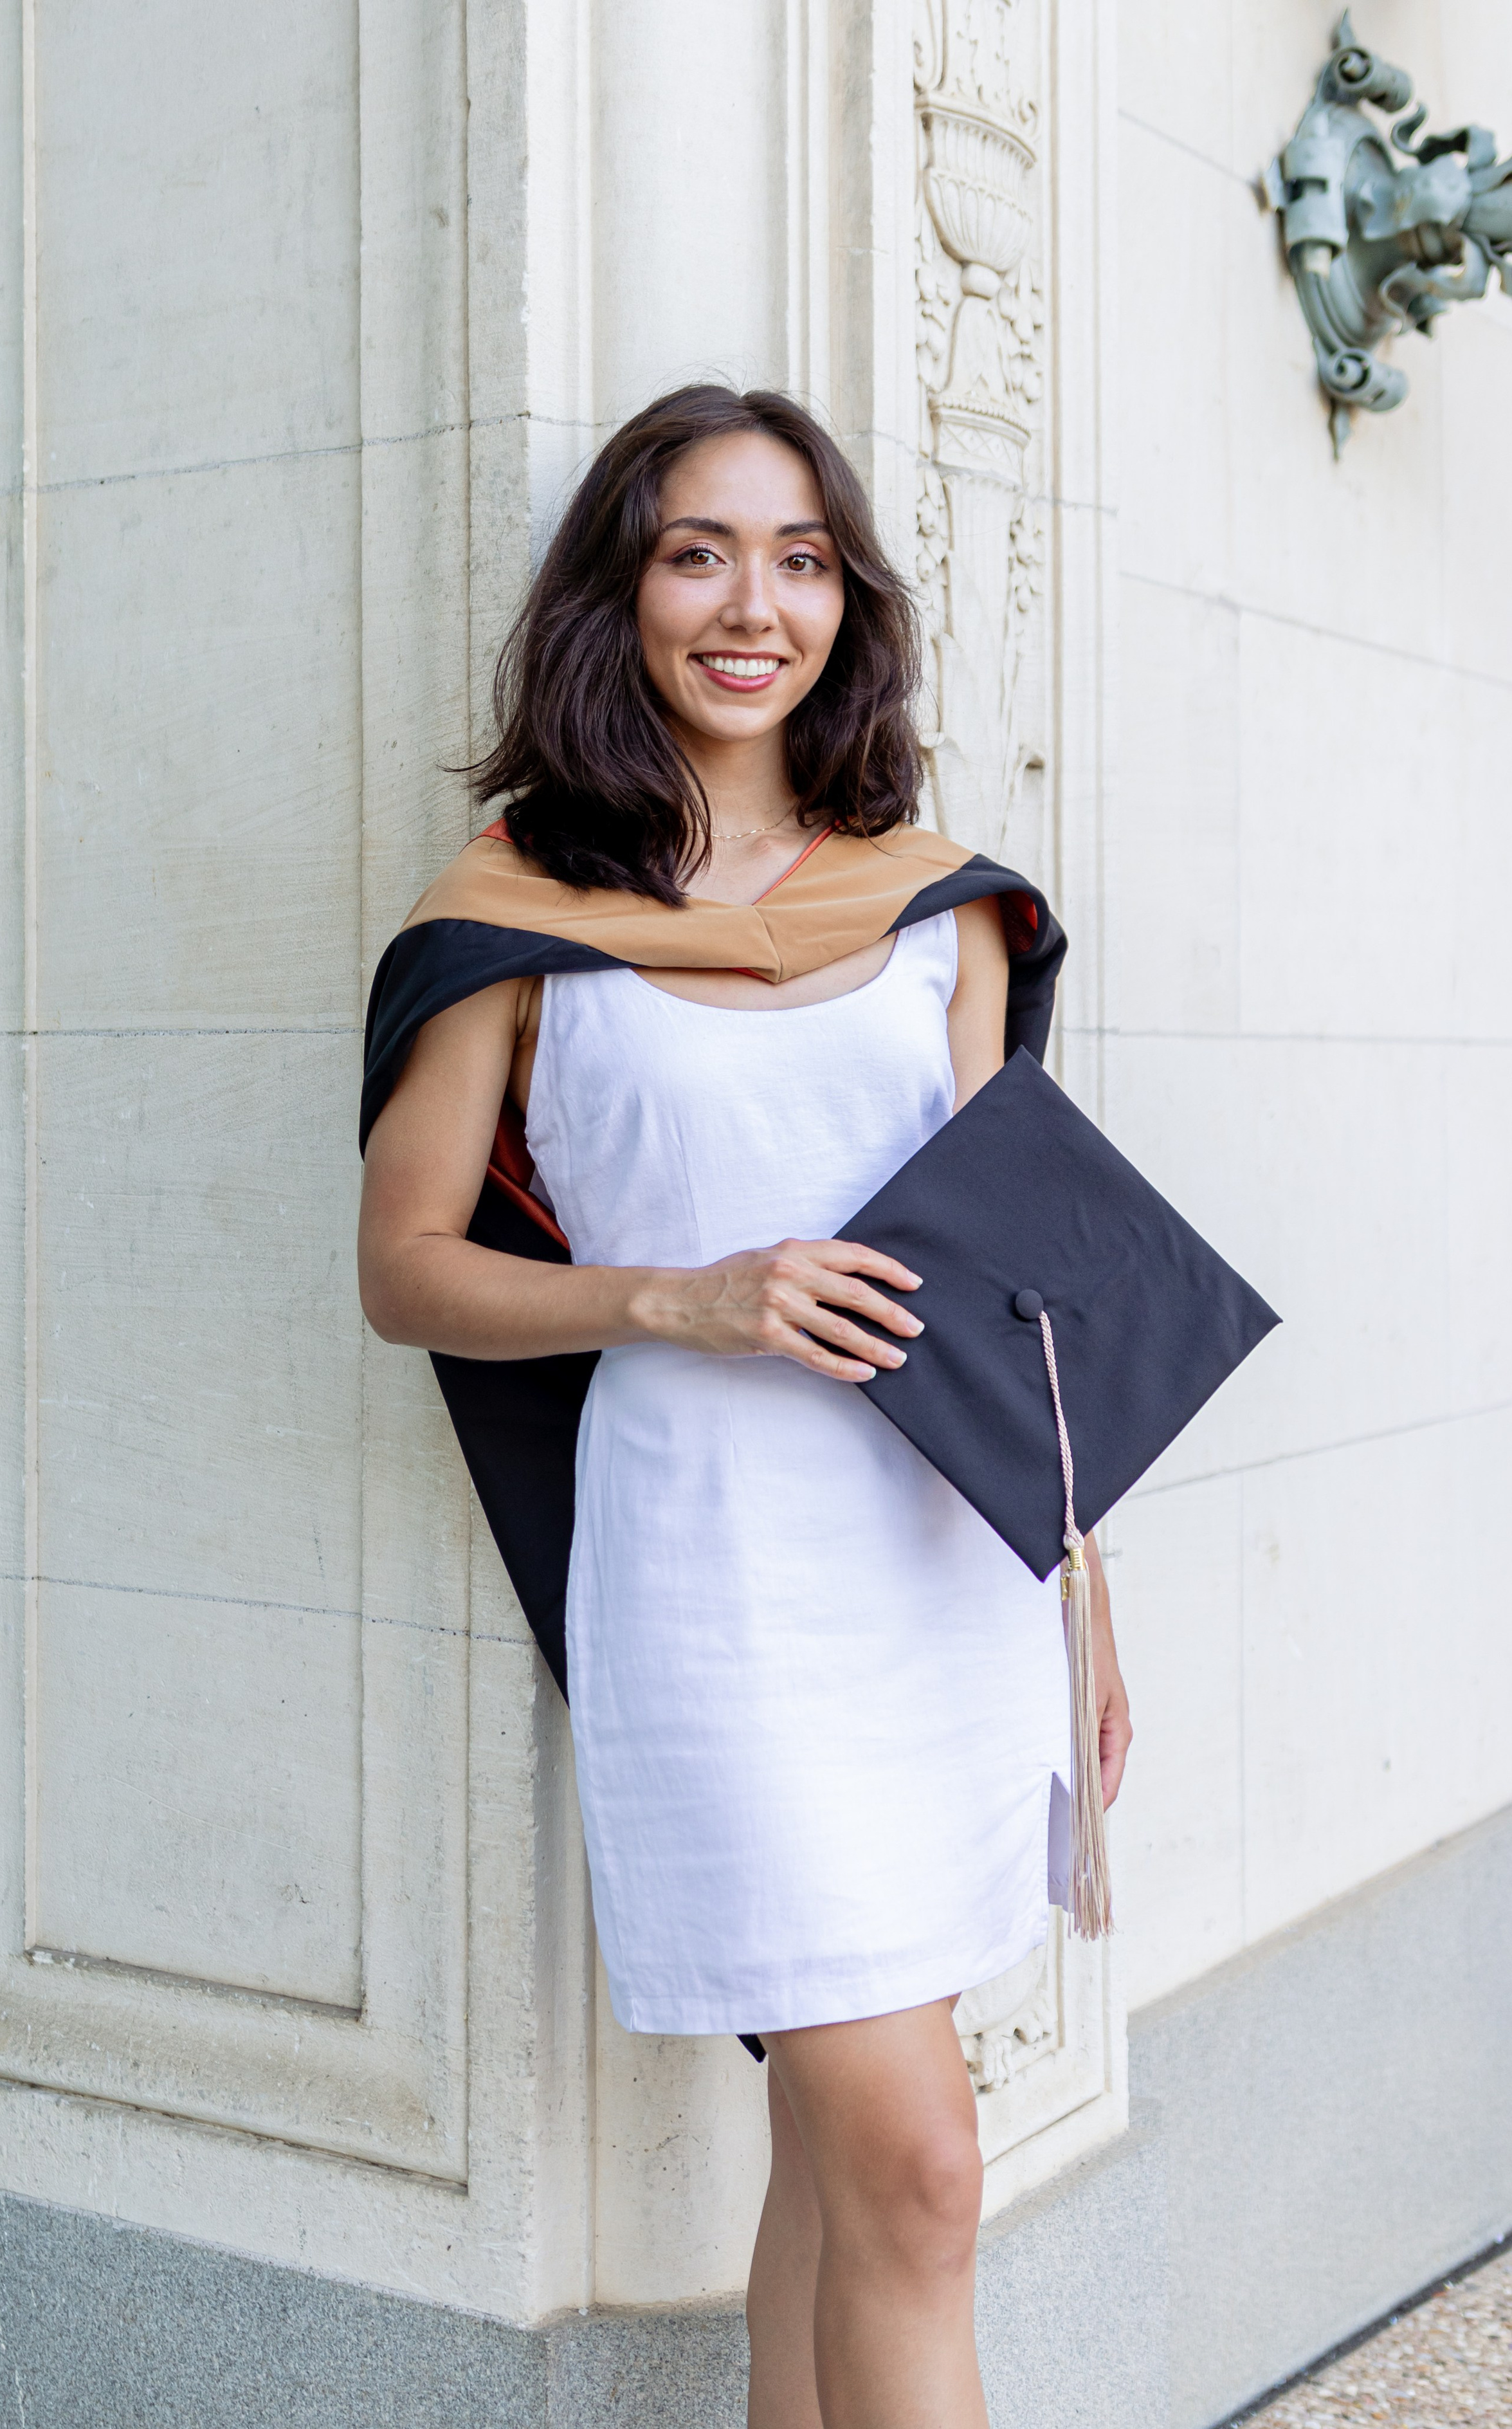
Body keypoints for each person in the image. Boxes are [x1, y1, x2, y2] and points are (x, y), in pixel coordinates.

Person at [358, 384, 1132, 2429]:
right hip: (720, 1583)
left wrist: (1083, 1589)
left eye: (799, 560)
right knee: (924, 2167)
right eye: (697, 553)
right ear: (621, 593)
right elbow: (403, 1265)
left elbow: (1017, 1284)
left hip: (944, 1570)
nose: (751, 605)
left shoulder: (941, 907)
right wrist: (683, 1297)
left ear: (847, 603)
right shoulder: (517, 915)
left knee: (836, 2159)